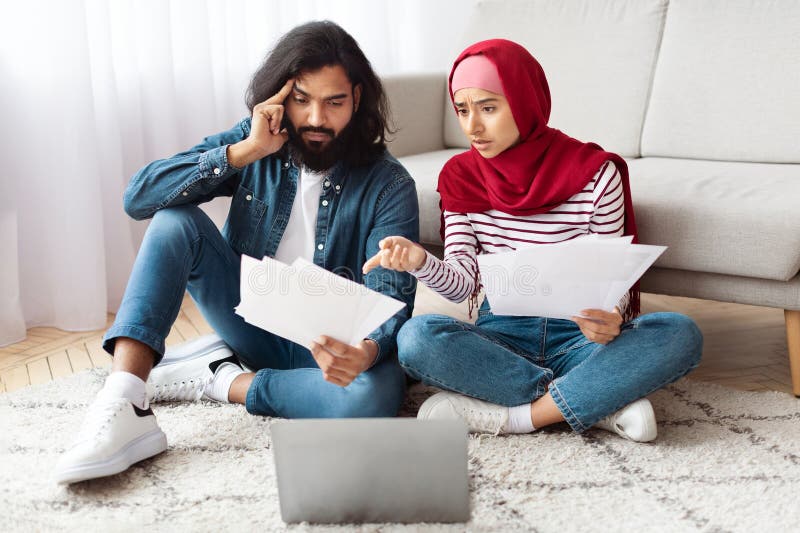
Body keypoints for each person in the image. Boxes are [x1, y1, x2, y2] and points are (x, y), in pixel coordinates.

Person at [54, 21, 419, 485]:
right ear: (280, 99)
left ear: (358, 98)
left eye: (334, 102)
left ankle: (219, 378)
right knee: (174, 221)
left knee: (376, 395)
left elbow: (392, 293)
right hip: (248, 317)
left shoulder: (390, 185)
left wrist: (366, 351)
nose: (316, 119)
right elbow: (139, 197)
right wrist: (243, 152)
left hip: (326, 348)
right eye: (301, 99)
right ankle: (125, 400)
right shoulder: (255, 142)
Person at [363, 39, 702, 442]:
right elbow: (463, 285)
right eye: (462, 110)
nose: (472, 126)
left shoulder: (595, 174)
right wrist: (419, 261)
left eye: (488, 108)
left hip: (580, 339)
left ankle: (517, 417)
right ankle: (597, 402)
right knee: (417, 338)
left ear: (524, 101)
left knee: (679, 333)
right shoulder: (460, 177)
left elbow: (613, 283)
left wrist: (610, 318)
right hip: (500, 339)